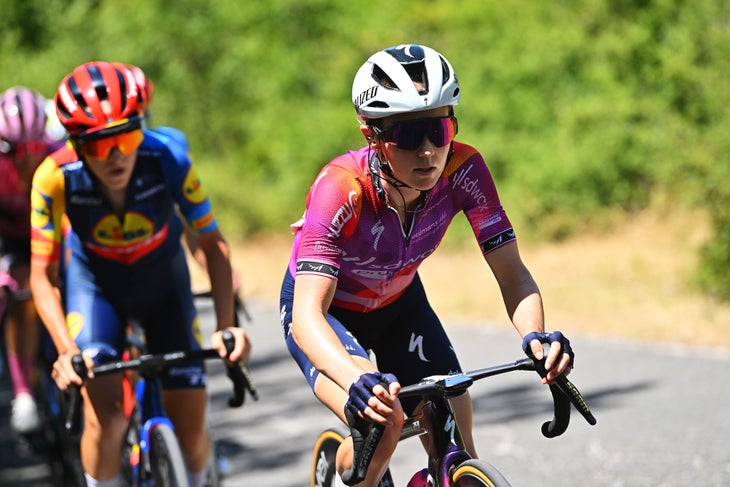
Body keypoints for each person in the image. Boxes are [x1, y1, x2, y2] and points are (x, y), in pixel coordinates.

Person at [279, 44, 576, 487]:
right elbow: (307, 316)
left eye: (439, 130)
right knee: (386, 420)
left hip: (400, 304)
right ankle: (341, 470)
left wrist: (535, 335)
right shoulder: (340, 188)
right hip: (329, 314)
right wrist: (352, 379)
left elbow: (513, 273)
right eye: (408, 135)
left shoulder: (465, 169)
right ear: (372, 135)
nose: (427, 151)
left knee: (457, 442)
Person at [29, 61, 250, 487]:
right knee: (106, 421)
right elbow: (41, 277)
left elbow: (213, 246)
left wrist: (227, 326)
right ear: (75, 145)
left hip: (165, 286)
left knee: (191, 430)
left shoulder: (168, 157)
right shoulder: (54, 178)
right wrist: (62, 349)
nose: (117, 155)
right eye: (98, 145)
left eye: (127, 137)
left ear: (141, 127)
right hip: (96, 292)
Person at [0, 86, 66, 433]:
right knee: (20, 297)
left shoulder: (60, 155)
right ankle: (23, 393)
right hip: (11, 239)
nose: (26, 159)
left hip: (52, 235)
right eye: (15, 152)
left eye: (34, 149)